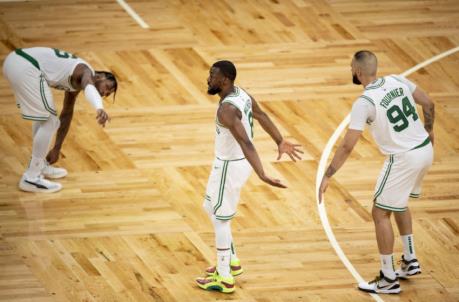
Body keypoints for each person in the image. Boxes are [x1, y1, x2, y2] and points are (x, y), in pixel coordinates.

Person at [319, 50, 434, 294]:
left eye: (351, 67)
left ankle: (388, 278)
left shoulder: (364, 102)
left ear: (358, 72)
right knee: (399, 203)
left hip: (403, 158)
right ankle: (410, 260)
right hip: (425, 150)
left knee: (380, 212)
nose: (351, 70)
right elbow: (429, 103)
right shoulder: (397, 79)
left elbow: (348, 145)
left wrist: (328, 174)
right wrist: (429, 129)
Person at [196, 60, 303, 293]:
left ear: (224, 79)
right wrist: (280, 140)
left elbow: (245, 142)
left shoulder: (226, 109)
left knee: (220, 219)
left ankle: (224, 279)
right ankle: (231, 262)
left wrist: (263, 174)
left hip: (229, 166)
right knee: (211, 209)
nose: (208, 78)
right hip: (232, 164)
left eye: (212, 75)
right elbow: (261, 115)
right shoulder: (240, 93)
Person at [2, 47, 117, 193]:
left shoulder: (76, 83)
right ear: (100, 76)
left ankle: (39, 165)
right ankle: (31, 177)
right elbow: (89, 86)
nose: (104, 93)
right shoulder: (86, 71)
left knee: (44, 118)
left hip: (16, 63)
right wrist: (99, 107)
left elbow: (67, 113)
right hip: (25, 66)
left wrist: (57, 148)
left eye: (107, 94)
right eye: (107, 87)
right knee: (50, 121)